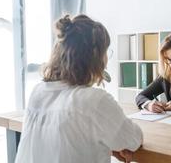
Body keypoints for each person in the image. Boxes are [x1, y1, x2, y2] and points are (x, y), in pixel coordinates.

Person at [15, 15, 143, 163]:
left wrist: (108, 145)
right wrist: (113, 144)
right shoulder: (94, 100)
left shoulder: (38, 91)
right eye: (105, 52)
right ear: (95, 56)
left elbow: (61, 143)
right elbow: (132, 139)